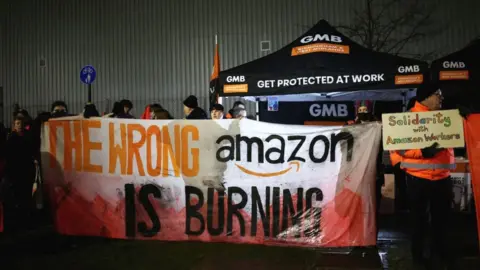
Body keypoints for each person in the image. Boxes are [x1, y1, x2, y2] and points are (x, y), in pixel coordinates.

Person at [390, 83, 456, 269]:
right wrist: (422, 152)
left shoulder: (445, 118)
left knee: (441, 221)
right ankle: (418, 257)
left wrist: (467, 119)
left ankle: (440, 254)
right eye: (438, 94)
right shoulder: (408, 119)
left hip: (442, 178)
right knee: (419, 221)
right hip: (418, 179)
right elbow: (398, 148)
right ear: (425, 97)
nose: (441, 98)